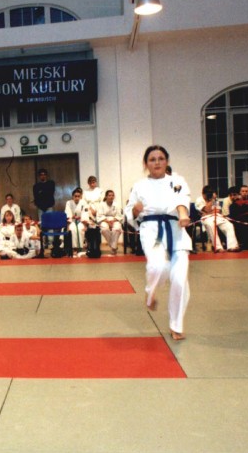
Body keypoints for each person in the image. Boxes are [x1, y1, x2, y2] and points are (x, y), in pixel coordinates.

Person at [125, 145, 192, 341]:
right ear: (146, 164)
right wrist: (135, 210)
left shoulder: (177, 181)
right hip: (151, 230)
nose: (157, 162)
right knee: (158, 266)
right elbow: (129, 212)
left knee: (179, 280)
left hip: (176, 229)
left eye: (161, 158)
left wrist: (182, 214)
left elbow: (182, 199)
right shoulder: (139, 186)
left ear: (167, 161)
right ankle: (151, 291)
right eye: (152, 159)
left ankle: (176, 325)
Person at [194, 185, 239, 252]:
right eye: (208, 195)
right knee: (211, 225)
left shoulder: (214, 199)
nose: (209, 196)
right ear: (203, 194)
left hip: (217, 216)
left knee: (229, 225)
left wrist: (209, 211)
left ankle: (232, 246)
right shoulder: (199, 200)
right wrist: (211, 200)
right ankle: (218, 247)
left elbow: (218, 210)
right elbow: (207, 209)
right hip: (206, 218)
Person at [97, 190, 123, 256]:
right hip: (104, 220)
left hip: (115, 219)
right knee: (104, 229)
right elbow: (99, 215)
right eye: (109, 195)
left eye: (112, 195)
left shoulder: (117, 204)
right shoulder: (101, 204)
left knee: (117, 229)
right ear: (106, 196)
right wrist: (107, 221)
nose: (111, 197)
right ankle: (114, 247)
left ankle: (113, 248)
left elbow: (119, 215)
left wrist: (113, 221)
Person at [65, 188, 89, 257]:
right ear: (72, 196)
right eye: (75, 196)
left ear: (80, 196)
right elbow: (68, 213)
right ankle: (74, 248)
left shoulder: (83, 203)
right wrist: (69, 224)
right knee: (72, 229)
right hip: (72, 221)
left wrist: (85, 225)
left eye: (78, 196)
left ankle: (80, 247)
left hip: (81, 220)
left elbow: (85, 213)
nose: (77, 198)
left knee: (80, 229)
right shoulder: (69, 203)